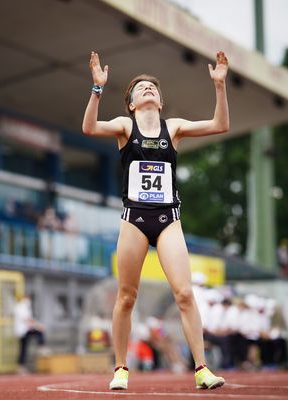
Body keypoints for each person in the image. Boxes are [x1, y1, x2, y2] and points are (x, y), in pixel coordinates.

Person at [82, 50, 229, 390]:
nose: (147, 89)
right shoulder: (124, 126)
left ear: (161, 102)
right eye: (140, 88)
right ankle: (121, 369)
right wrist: (97, 89)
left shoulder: (173, 128)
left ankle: (202, 369)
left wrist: (219, 86)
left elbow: (221, 125)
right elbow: (88, 128)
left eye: (152, 87)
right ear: (131, 103)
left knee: (185, 293)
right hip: (134, 219)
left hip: (168, 220)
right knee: (126, 297)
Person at [13, 295, 46, 374]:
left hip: (26, 330)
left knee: (23, 349)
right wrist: (38, 325)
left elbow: (29, 320)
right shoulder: (20, 307)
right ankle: (41, 347)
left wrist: (36, 325)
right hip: (23, 331)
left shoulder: (25, 308)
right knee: (39, 332)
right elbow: (27, 319)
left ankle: (20, 367)